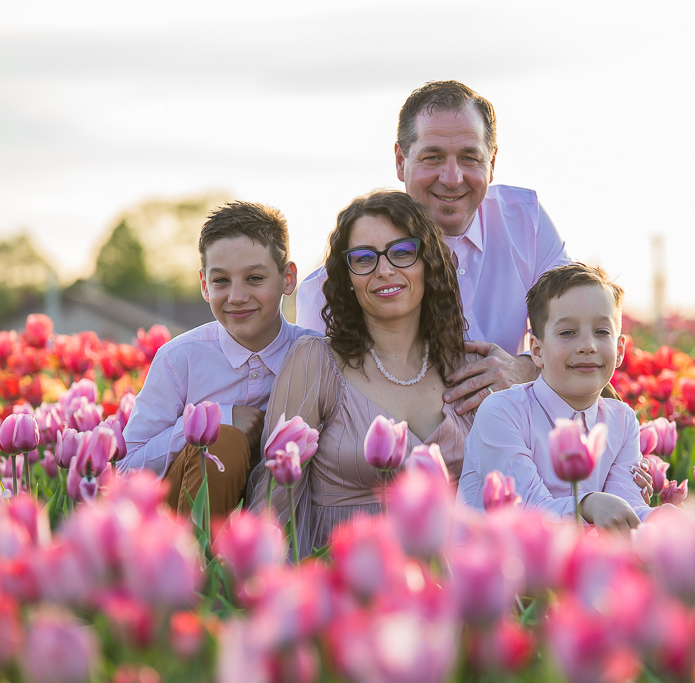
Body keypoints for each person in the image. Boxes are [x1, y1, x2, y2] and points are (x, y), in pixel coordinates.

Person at [295, 81, 570, 415]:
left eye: (469, 158)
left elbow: (580, 327)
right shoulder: (335, 285)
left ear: (492, 162)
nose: (452, 178)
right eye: (433, 157)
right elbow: (311, 404)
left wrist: (526, 368)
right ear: (401, 161)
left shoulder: (527, 222)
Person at [247, 190, 471, 553]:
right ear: (347, 276)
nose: (384, 270)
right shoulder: (316, 362)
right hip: (344, 576)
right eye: (364, 258)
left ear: (428, 262)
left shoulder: (466, 367)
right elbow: (275, 501)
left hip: (445, 578)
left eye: (402, 252)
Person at [119, 201, 317, 516]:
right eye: (221, 281)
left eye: (255, 278)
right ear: (204, 285)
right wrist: (212, 420)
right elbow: (124, 470)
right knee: (223, 441)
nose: (236, 297)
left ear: (288, 278)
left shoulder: (316, 355)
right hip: (188, 520)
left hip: (287, 519)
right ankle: (200, 549)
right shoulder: (180, 359)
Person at [456, 263, 651, 532]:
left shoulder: (622, 420)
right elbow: (525, 508)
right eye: (567, 332)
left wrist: (667, 519)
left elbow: (627, 511)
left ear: (619, 351)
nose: (587, 346)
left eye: (602, 332)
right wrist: (588, 504)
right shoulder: (502, 411)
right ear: (537, 351)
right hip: (493, 554)